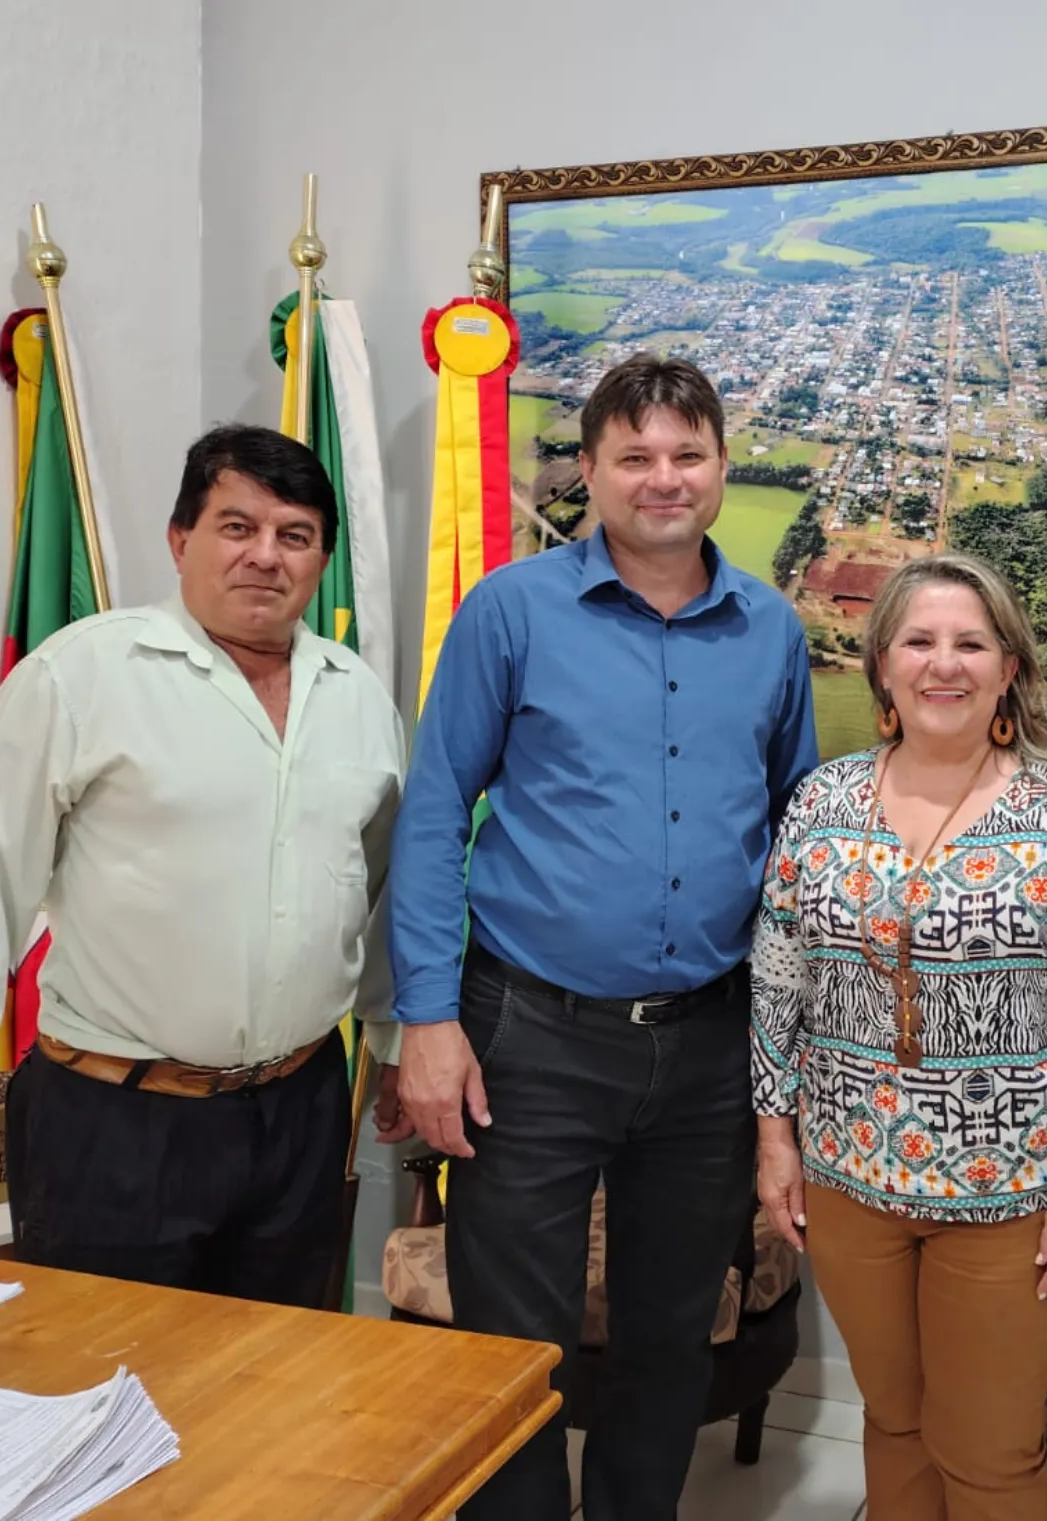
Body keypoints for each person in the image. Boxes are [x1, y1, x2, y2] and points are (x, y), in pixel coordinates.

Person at [380, 354, 818, 1521]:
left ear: (722, 466)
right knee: (508, 1347)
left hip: (708, 1047)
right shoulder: (512, 610)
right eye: (634, 457)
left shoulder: (771, 633)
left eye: (686, 455)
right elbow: (433, 816)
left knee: (670, 1339)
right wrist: (424, 1017)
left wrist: (794, 1058)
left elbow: (796, 834)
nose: (661, 479)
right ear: (589, 471)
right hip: (528, 1035)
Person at [0, 424, 406, 1308]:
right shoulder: (81, 676)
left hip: (300, 1111)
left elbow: (379, 898)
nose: (266, 556)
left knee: (274, 1390)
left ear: (320, 559)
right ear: (180, 539)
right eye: (237, 527)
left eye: (294, 535)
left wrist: (396, 1043)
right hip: (115, 1120)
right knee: (98, 1389)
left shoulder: (357, 699)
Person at [751, 553, 1047, 1521]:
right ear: (879, 663)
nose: (943, 664)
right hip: (847, 1183)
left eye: (970, 643)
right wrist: (774, 1139)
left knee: (986, 1449)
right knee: (890, 1419)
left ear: (1008, 666)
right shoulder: (821, 803)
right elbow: (776, 982)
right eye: (918, 642)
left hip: (1009, 1194)